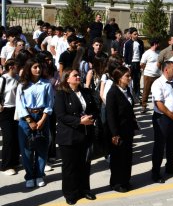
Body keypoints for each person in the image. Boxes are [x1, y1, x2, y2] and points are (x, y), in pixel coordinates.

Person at [54, 68, 99, 205]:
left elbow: (95, 108)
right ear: (67, 79)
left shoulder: (85, 92)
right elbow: (61, 116)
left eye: (79, 75)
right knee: (70, 167)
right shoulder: (62, 94)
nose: (78, 77)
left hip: (85, 134)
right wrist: (79, 121)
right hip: (69, 137)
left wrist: (91, 117)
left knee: (85, 165)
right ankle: (70, 193)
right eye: (75, 75)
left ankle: (84, 189)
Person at [15, 58, 55, 188]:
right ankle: (30, 175)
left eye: (39, 67)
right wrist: (29, 120)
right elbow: (19, 104)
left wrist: (43, 119)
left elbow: (50, 103)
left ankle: (39, 174)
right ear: (29, 69)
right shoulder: (22, 84)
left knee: (42, 147)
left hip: (42, 115)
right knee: (26, 148)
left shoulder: (46, 83)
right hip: (26, 117)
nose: (38, 69)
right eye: (35, 67)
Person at [150, 61, 173, 183]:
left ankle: (170, 166)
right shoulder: (157, 83)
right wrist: (171, 115)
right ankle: (155, 172)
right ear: (166, 70)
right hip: (163, 119)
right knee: (160, 146)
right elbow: (159, 103)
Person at [106, 66, 139, 193]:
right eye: (127, 76)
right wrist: (114, 134)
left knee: (127, 156)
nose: (130, 78)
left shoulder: (127, 90)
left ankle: (125, 180)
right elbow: (110, 115)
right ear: (119, 78)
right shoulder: (112, 93)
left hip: (128, 130)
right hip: (117, 132)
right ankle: (116, 182)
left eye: (130, 76)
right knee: (117, 158)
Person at [0, 59, 20, 176]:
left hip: (16, 109)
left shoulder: (18, 78)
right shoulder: (3, 79)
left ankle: (14, 161)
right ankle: (6, 165)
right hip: (5, 110)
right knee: (8, 138)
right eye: (17, 65)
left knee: (17, 136)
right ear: (11, 67)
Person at [140, 40, 161, 113]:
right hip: (148, 75)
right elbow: (142, 63)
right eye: (158, 44)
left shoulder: (159, 53)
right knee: (146, 91)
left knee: (158, 91)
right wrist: (147, 70)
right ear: (155, 44)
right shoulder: (147, 53)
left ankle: (159, 106)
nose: (159, 45)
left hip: (158, 76)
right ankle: (143, 106)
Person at [123, 28, 144, 100]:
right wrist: (126, 64)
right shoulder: (127, 43)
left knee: (137, 79)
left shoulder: (140, 42)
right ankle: (130, 94)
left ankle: (137, 95)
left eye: (137, 34)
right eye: (135, 34)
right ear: (131, 35)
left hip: (138, 63)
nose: (136, 35)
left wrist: (142, 63)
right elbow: (125, 55)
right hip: (131, 63)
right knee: (129, 79)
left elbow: (142, 53)